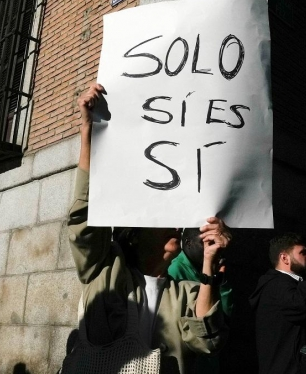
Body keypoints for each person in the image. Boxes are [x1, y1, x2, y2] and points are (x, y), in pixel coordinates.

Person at [65, 83, 229, 374]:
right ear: (136, 234)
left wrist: (209, 263)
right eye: (165, 218)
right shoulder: (104, 271)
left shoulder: (187, 292)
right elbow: (85, 218)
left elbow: (207, 342)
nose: (177, 226)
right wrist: (88, 134)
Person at [249, 232, 306, 374]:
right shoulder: (276, 284)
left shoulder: (288, 286)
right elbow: (300, 304)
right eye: (303, 252)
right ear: (284, 258)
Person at [168, 227, 234, 374]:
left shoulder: (209, 267)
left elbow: (224, 314)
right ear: (188, 243)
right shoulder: (175, 269)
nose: (212, 249)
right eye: (206, 244)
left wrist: (219, 281)